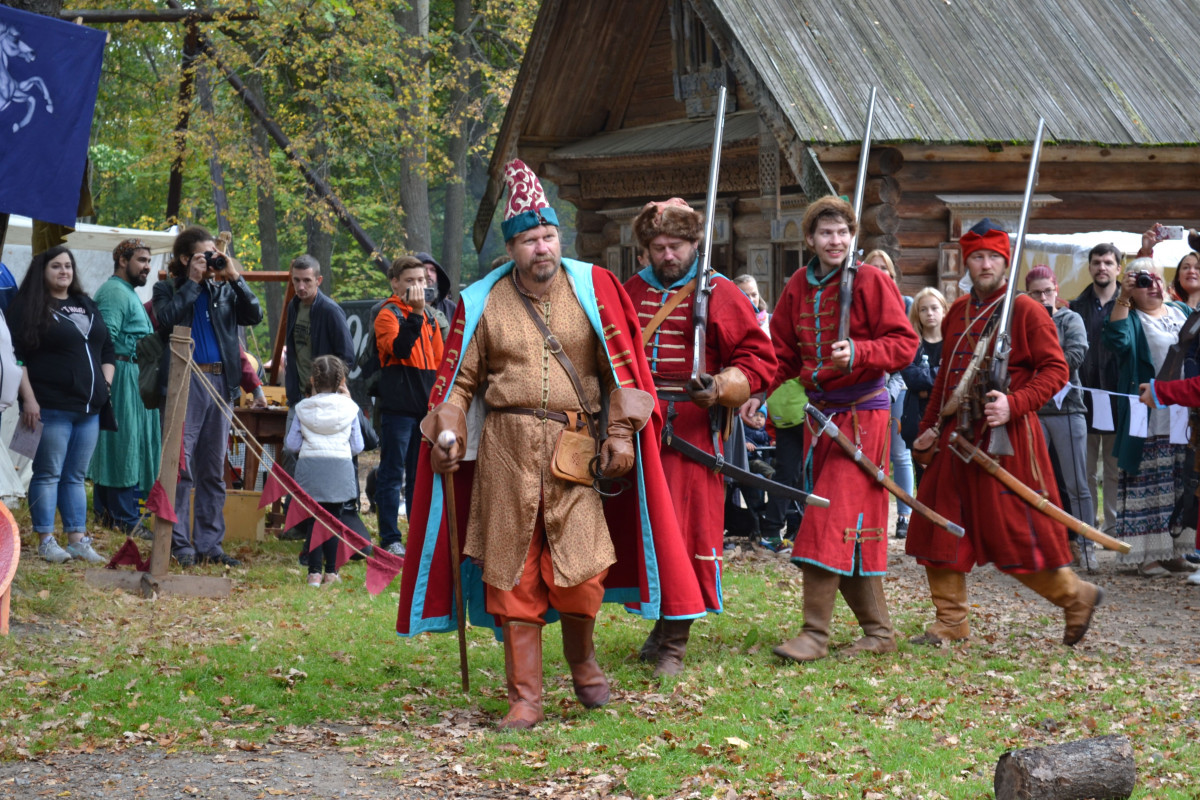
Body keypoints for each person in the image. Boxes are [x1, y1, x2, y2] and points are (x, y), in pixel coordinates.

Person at [397, 160, 706, 729]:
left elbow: (621, 369)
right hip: (506, 453)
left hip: (575, 448)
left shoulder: (594, 290)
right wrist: (448, 429)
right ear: (511, 248)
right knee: (514, 572)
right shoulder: (481, 302)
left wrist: (618, 433)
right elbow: (459, 382)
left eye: (549, 236)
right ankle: (525, 697)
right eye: (530, 240)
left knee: (582, 571)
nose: (542, 249)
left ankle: (584, 666)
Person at [906, 219, 1102, 647]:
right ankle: (951, 621)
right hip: (956, 437)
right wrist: (929, 429)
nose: (985, 264)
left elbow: (1056, 370)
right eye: (977, 257)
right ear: (967, 262)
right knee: (938, 522)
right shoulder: (958, 310)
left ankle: (1075, 597)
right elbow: (945, 380)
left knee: (1015, 532)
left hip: (1007, 437)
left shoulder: (1026, 310)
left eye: (993, 256)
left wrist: (1014, 402)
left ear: (1005, 260)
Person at [623, 197, 775, 676]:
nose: (669, 255)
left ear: (695, 244)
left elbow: (758, 359)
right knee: (649, 529)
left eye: (678, 245)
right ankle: (660, 623)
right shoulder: (630, 291)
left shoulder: (719, 293)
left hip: (694, 429)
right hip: (640, 429)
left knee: (687, 532)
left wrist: (722, 385)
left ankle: (675, 641)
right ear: (646, 249)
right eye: (659, 246)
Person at [769, 196, 918, 662]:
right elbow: (780, 353)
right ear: (810, 239)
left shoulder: (871, 281)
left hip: (864, 418)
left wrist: (859, 353)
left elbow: (904, 344)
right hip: (822, 418)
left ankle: (815, 633)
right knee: (849, 527)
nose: (835, 241)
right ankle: (879, 633)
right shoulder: (798, 284)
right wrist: (755, 392)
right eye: (826, 233)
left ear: (853, 237)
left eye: (843, 232)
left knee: (825, 517)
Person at [152, 226, 263, 568]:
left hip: (221, 382)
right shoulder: (167, 288)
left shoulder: (225, 290)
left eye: (215, 252)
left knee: (213, 470)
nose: (213, 258)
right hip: (186, 379)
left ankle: (210, 545)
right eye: (205, 253)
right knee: (181, 468)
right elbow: (165, 322)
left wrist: (234, 277)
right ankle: (179, 544)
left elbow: (254, 314)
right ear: (186, 259)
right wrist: (193, 282)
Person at [8, 246, 114, 564]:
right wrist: (28, 398)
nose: (64, 271)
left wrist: (105, 384)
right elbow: (17, 357)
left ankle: (78, 540)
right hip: (49, 407)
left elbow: (107, 349)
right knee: (48, 472)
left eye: (68, 266)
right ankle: (46, 539)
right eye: (56, 266)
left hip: (89, 410)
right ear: (43, 270)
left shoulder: (86, 304)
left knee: (75, 475)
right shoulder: (28, 308)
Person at [1101, 257, 1197, 577]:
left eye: (1156, 278)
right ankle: (1147, 555)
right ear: (1132, 287)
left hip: (1182, 414)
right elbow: (1116, 339)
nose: (1152, 285)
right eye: (1143, 281)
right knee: (1148, 482)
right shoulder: (1132, 318)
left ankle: (1174, 551)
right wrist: (1123, 298)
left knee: (1179, 481)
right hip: (1147, 415)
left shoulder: (1181, 312)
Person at [88, 238, 161, 539]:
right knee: (122, 444)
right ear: (122, 261)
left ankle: (111, 514)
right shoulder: (114, 292)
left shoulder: (127, 292)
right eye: (142, 260)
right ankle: (123, 516)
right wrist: (108, 382)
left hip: (134, 375)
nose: (147, 267)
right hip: (120, 377)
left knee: (128, 443)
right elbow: (103, 339)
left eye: (148, 261)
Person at [1025, 266, 1096, 573]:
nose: (1043, 297)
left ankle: (1085, 544)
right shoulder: (1022, 322)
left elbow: (1077, 354)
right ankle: (1041, 546)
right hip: (1033, 410)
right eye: (1036, 293)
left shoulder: (1070, 319)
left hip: (1068, 409)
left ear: (1056, 290)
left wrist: (1043, 366)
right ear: (1027, 296)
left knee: (1077, 483)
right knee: (1034, 482)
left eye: (1047, 291)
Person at [374, 255, 444, 558]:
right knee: (392, 473)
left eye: (422, 281)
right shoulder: (387, 314)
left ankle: (416, 536)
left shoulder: (430, 316)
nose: (418, 286)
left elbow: (440, 362)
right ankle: (390, 537)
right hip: (397, 408)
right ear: (395, 283)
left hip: (425, 408)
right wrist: (415, 314)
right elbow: (400, 349)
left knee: (419, 475)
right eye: (411, 281)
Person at [285, 355, 364, 587]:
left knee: (313, 520)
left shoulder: (302, 408)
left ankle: (313, 573)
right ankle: (331, 572)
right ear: (341, 381)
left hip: (310, 470)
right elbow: (358, 446)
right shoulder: (350, 408)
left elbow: (291, 445)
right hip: (339, 469)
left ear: (312, 380)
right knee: (334, 520)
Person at [1070, 242, 1122, 536]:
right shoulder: (1076, 306)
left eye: (1107, 262)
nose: (1102, 267)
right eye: (1097, 262)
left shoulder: (1129, 304)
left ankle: (1113, 527)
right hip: (1082, 398)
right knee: (1085, 469)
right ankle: (1088, 527)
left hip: (1117, 399)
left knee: (1114, 470)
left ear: (1118, 268)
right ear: (1090, 267)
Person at [864, 249, 915, 539]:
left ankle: (904, 515)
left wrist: (889, 391)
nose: (878, 272)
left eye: (884, 268)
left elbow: (905, 353)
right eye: (873, 267)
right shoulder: (858, 303)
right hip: (864, 390)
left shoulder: (904, 304)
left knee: (899, 453)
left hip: (895, 386)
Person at [284, 255, 354, 408]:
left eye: (307, 280)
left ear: (318, 280)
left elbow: (347, 357)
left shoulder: (330, 311)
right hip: (297, 397)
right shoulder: (293, 306)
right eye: (297, 280)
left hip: (325, 399)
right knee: (291, 433)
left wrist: (328, 389)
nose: (301, 286)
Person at [899, 287, 948, 481]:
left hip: (948, 419)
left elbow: (958, 376)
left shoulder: (954, 344)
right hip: (918, 419)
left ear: (944, 310)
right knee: (924, 479)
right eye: (923, 309)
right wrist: (941, 372)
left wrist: (928, 378)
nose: (929, 313)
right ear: (917, 314)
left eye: (934, 308)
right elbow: (912, 378)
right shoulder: (911, 345)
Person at [416, 251, 456, 325]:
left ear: (438, 276)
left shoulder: (450, 307)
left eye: (432, 270)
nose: (428, 273)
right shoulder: (402, 306)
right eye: (423, 269)